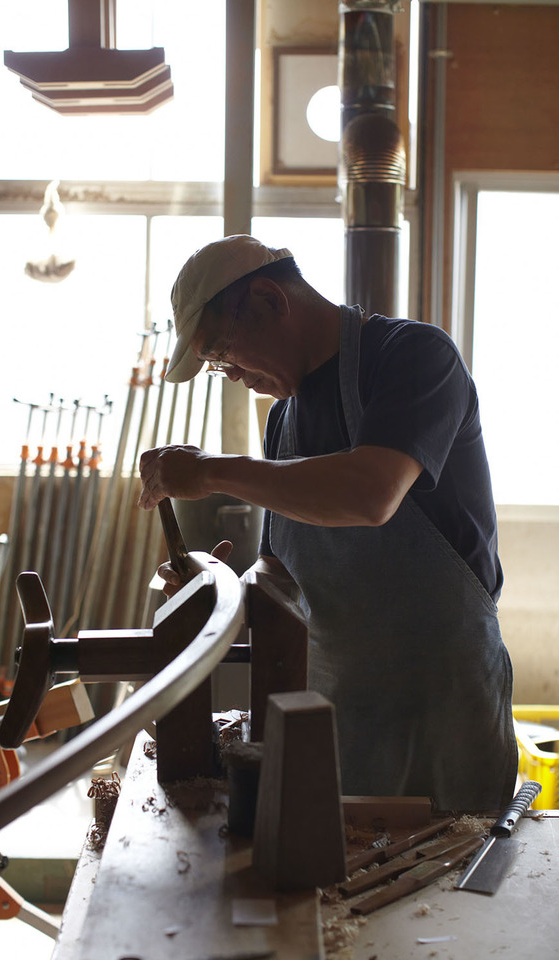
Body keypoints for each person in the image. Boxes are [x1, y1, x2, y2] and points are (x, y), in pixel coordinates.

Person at [138, 234, 518, 811]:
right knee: (340, 887)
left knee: (445, 889)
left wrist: (212, 470)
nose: (232, 374)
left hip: (443, 707)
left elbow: (370, 494)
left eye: (222, 350)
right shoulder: (283, 420)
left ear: (269, 300)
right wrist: (218, 586)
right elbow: (281, 572)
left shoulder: (413, 357)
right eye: (218, 366)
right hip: (340, 709)